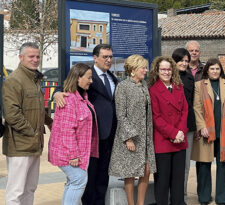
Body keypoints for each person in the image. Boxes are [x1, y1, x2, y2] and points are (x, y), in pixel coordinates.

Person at [54, 44, 118, 205]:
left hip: (109, 134)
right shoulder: (86, 77)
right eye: (105, 57)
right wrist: (55, 94)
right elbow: (66, 87)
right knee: (88, 179)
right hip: (92, 137)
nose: (108, 60)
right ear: (95, 58)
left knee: (103, 177)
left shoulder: (113, 77)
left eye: (110, 56)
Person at [2, 42, 53, 205]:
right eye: (31, 56)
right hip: (20, 146)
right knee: (15, 192)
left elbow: (37, 109)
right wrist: (32, 132)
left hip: (34, 144)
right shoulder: (14, 80)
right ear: (20, 57)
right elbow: (12, 114)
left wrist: (50, 122)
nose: (35, 60)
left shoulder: (34, 79)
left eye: (38, 56)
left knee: (30, 189)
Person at [108, 54, 156, 205]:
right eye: (143, 67)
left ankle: (140, 203)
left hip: (145, 137)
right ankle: (131, 203)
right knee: (129, 172)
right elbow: (121, 115)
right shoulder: (123, 86)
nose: (145, 70)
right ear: (133, 69)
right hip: (130, 137)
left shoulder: (144, 86)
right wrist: (128, 138)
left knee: (146, 170)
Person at [48, 63, 98, 204]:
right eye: (88, 78)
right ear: (77, 78)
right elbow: (67, 130)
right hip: (68, 154)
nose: (91, 81)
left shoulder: (82, 97)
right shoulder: (69, 99)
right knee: (79, 180)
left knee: (73, 182)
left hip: (76, 152)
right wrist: (73, 154)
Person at [192, 58, 225, 205]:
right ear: (207, 70)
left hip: (224, 131)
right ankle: (204, 197)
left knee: (223, 164)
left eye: (217, 69)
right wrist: (201, 126)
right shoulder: (199, 85)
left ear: (221, 70)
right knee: (204, 164)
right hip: (206, 131)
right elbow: (196, 107)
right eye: (212, 69)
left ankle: (222, 198)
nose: (215, 71)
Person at [148, 56, 188, 205]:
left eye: (168, 69)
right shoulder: (152, 90)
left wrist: (181, 132)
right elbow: (155, 117)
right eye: (163, 69)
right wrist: (173, 133)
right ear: (157, 71)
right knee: (163, 181)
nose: (166, 72)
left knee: (178, 180)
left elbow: (185, 110)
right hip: (163, 140)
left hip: (179, 139)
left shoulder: (179, 87)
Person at [172, 48, 195, 204]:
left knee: (185, 166)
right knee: (169, 166)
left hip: (187, 126)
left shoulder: (189, 78)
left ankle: (182, 197)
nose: (184, 63)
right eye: (181, 60)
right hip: (170, 128)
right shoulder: (166, 76)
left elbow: (192, 102)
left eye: (186, 61)